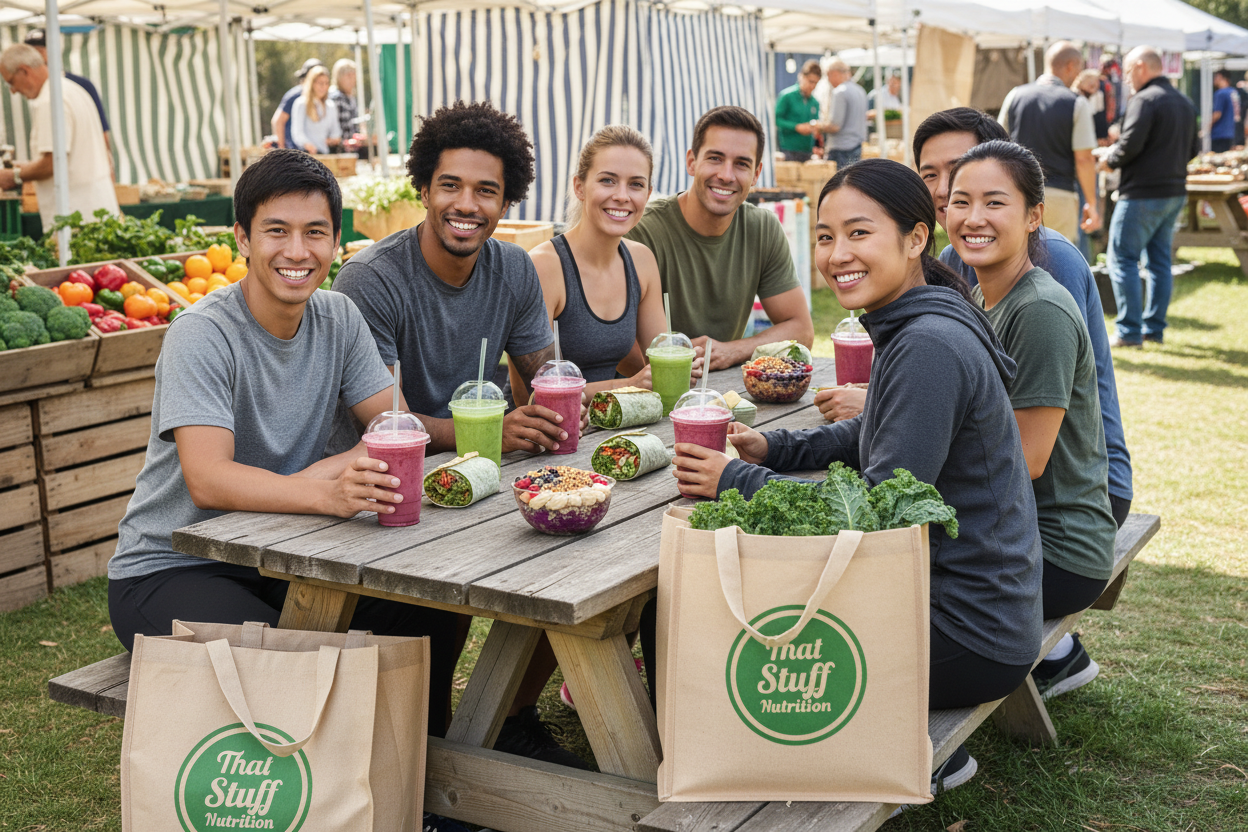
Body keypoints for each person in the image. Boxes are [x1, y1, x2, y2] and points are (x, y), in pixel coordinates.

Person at [674, 158, 1044, 795]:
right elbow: (876, 431)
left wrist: (735, 480)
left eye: (859, 233)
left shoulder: (926, 343)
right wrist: (774, 446)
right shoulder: (918, 321)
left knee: (697, 609)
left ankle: (731, 774)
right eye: (824, 236)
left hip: (967, 633)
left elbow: (868, 517)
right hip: (976, 610)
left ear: (915, 240)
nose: (837, 253)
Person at [105, 148, 462, 731]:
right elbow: (210, 479)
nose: (298, 252)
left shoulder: (339, 316)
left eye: (315, 232)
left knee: (429, 616)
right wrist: (328, 487)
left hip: (288, 556)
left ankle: (424, 792)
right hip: (172, 567)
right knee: (291, 659)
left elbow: (396, 430)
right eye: (277, 231)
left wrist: (352, 460)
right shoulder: (202, 334)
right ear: (242, 238)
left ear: (336, 241)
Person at [330, 102, 582, 768]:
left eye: (486, 190)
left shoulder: (514, 270)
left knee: (570, 553)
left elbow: (545, 378)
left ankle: (503, 718)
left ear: (508, 200)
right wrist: (501, 429)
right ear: (424, 188)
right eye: (451, 186)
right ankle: (433, 759)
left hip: (473, 487)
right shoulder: (372, 280)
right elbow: (388, 422)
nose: (466, 204)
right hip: (378, 502)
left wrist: (554, 404)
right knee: (432, 615)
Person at [947, 140, 1117, 698]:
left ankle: (938, 747)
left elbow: (1027, 459)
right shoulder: (983, 296)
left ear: (1034, 215)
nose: (974, 218)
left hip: (1057, 550)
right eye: (960, 201)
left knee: (882, 575)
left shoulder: (1038, 310)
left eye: (995, 203)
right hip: (1012, 535)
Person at [911, 107, 1134, 529]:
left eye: (959, 169)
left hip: (1076, 492)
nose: (944, 189)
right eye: (929, 175)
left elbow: (1033, 445)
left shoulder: (1051, 262)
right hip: (1005, 479)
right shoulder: (953, 259)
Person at [625, 106, 814, 370]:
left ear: (756, 174)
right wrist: (677, 372)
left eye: (741, 164)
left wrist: (732, 351)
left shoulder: (763, 228)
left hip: (719, 392)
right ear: (691, 161)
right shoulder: (641, 231)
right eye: (715, 158)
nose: (726, 175)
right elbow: (618, 343)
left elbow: (801, 330)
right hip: (640, 396)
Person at [520, 125, 700, 398]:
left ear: (648, 194)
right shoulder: (544, 266)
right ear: (579, 186)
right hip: (549, 435)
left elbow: (656, 366)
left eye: (636, 184)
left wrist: (680, 370)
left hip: (614, 423)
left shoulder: (641, 261)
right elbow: (533, 397)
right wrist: (629, 385)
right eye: (607, 180)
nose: (622, 196)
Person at [1098, 46, 1199, 348]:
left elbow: (1129, 146)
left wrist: (1108, 159)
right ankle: (1154, 329)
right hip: (1174, 192)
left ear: (1141, 67)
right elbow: (1194, 149)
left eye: (1128, 72)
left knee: (1122, 258)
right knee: (1159, 263)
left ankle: (1129, 331)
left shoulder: (1144, 99)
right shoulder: (1183, 101)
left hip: (1142, 194)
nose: (1126, 80)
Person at [0, 45, 119, 230]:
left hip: (77, 217)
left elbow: (53, 163)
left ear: (24, 71)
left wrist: (15, 176)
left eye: (11, 82)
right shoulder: (72, 89)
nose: (13, 91)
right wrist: (24, 167)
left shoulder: (51, 101)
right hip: (93, 211)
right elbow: (71, 157)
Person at [999, 41, 1100, 243]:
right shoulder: (1076, 102)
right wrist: (1091, 203)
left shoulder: (1015, 95)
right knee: (1058, 265)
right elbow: (1084, 159)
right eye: (1079, 70)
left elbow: (999, 144)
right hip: (1060, 194)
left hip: (1019, 194)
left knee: (1018, 263)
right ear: (1071, 66)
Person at [23, 28, 113, 177]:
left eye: (41, 51)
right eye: (31, 52)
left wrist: (109, 172)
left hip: (85, 174)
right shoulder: (34, 90)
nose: (37, 57)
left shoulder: (81, 85)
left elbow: (102, 134)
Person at [820, 58, 868, 168]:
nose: (828, 80)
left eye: (828, 75)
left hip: (841, 148)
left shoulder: (840, 92)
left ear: (835, 73)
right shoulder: (860, 90)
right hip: (856, 146)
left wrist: (819, 127)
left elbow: (835, 126)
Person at [775, 60, 824, 162]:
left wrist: (815, 129)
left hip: (807, 151)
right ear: (801, 77)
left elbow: (815, 123)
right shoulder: (787, 96)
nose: (813, 86)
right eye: (810, 81)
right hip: (788, 149)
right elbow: (776, 119)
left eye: (816, 83)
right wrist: (796, 127)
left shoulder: (815, 102)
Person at [291, 65, 342, 155]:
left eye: (326, 83)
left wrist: (332, 140)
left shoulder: (330, 105)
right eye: (320, 83)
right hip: (307, 155)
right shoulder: (301, 104)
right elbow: (297, 133)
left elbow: (336, 132)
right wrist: (309, 146)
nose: (324, 87)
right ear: (312, 83)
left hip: (325, 154)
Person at [272, 58, 322, 149]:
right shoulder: (295, 96)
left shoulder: (323, 98)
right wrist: (282, 150)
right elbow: (278, 121)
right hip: (294, 151)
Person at [1072, 68, 1111, 146]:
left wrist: (1103, 136)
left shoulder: (1097, 95)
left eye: (1097, 81)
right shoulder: (1074, 96)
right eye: (1092, 81)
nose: (1096, 85)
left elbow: (1100, 117)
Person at [328, 59, 360, 144]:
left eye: (354, 75)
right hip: (340, 147)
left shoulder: (351, 98)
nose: (352, 79)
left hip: (353, 145)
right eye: (348, 75)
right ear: (339, 77)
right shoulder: (336, 97)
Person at [1211, 69, 1236, 154]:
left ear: (1220, 77)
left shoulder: (1221, 93)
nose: (1214, 79)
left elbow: (1217, 114)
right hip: (1231, 133)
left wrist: (1207, 127)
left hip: (1219, 134)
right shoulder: (1233, 92)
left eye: (1215, 77)